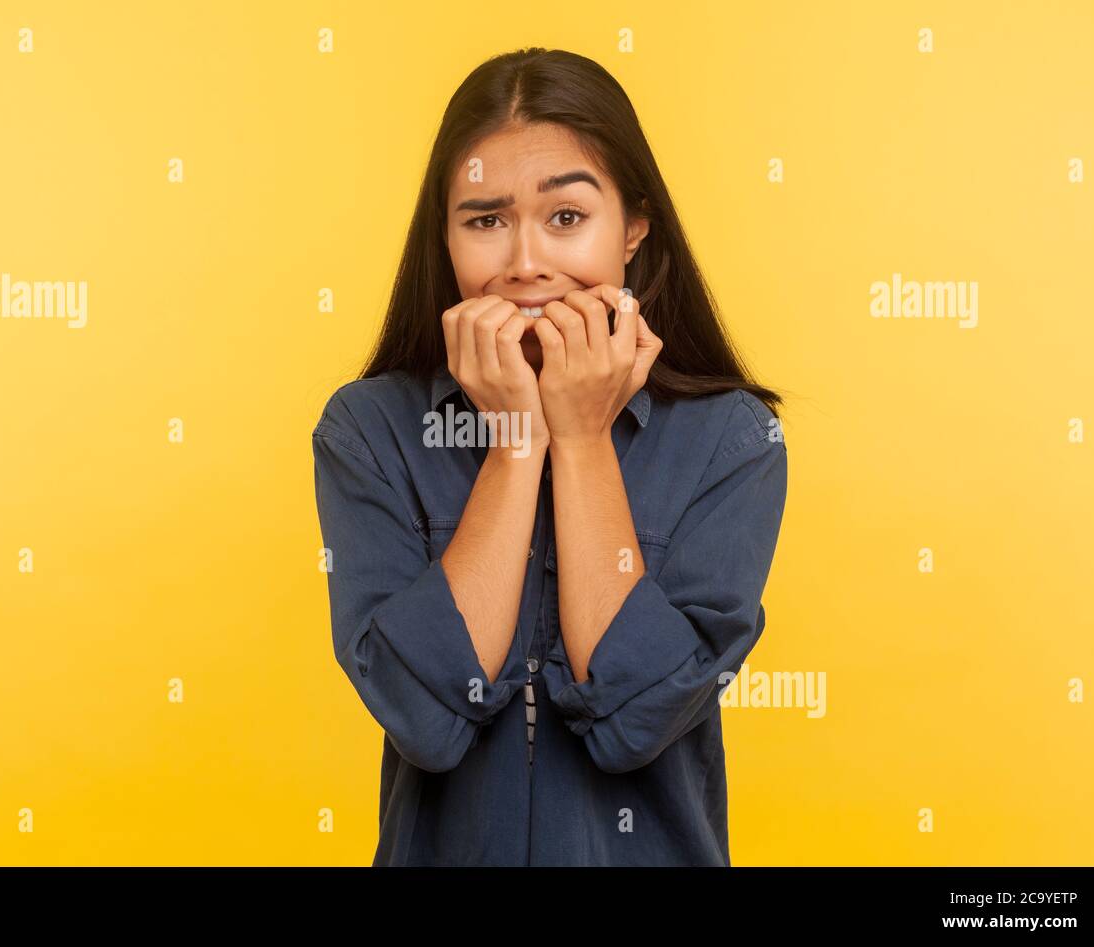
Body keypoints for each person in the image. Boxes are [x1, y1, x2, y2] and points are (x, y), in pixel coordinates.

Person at [312, 47, 788, 865]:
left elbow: (635, 716)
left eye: (566, 218)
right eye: (485, 219)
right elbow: (427, 718)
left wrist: (581, 437)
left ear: (634, 227)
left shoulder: (732, 440)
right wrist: (516, 442)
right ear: (447, 236)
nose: (525, 263)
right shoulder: (369, 429)